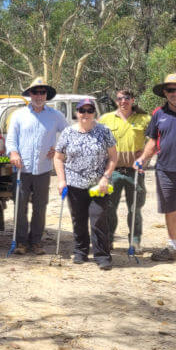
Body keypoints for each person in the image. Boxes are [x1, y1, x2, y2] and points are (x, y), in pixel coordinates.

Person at [134, 73, 176, 276]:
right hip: (163, 170)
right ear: (164, 92)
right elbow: (154, 141)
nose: (174, 93)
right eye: (170, 90)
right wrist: (142, 159)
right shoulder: (158, 113)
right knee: (169, 210)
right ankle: (172, 248)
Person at [6, 77, 67, 255]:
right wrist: (14, 153)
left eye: (42, 92)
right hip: (22, 170)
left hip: (43, 169)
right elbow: (11, 139)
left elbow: (68, 133)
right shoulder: (19, 115)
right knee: (20, 207)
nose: (39, 96)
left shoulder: (55, 116)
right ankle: (21, 242)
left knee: (40, 207)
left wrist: (58, 149)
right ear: (29, 94)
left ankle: (36, 242)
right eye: (35, 92)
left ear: (46, 95)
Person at [54, 98, 117, 269]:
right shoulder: (68, 133)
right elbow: (58, 157)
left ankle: (102, 255)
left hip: (98, 186)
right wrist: (61, 180)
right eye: (82, 110)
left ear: (94, 113)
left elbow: (113, 157)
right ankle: (80, 251)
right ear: (77, 113)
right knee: (78, 219)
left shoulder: (104, 131)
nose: (86, 114)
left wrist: (106, 177)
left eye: (90, 111)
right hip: (74, 185)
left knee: (98, 220)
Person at [99, 89, 151, 251]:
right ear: (116, 101)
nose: (123, 101)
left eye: (127, 98)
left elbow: (156, 140)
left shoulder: (145, 119)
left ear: (133, 100)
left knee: (134, 209)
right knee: (109, 208)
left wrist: (145, 157)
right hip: (112, 172)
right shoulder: (105, 119)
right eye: (120, 98)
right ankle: (108, 240)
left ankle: (134, 241)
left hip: (134, 172)